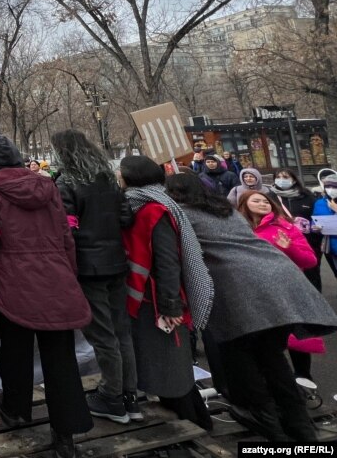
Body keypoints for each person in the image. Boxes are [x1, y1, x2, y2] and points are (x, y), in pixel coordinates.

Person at [165, 172, 337, 441]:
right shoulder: (225, 210)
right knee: (272, 356)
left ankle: (269, 426)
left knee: (241, 359)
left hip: (240, 289)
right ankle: (301, 427)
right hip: (277, 276)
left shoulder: (181, 215)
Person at [0, 135, 92, 458]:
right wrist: (68, 270)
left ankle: (15, 408)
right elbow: (66, 233)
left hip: (14, 280)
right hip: (56, 277)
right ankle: (65, 434)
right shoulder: (48, 186)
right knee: (61, 358)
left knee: (15, 350)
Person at [117, 157, 213, 431]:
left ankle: (196, 425)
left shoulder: (154, 210)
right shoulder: (137, 206)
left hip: (158, 302)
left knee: (170, 371)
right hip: (144, 298)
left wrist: (171, 306)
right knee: (158, 367)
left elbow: (167, 261)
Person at [51, 130, 137, 425]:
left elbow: (66, 230)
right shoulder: (108, 180)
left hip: (90, 268)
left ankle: (111, 397)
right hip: (116, 262)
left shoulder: (66, 183)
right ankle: (130, 396)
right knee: (121, 331)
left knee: (102, 335)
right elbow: (126, 217)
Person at [236, 190, 323, 383]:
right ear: (244, 204)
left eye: (266, 201)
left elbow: (310, 261)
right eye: (256, 201)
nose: (263, 204)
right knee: (265, 340)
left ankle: (303, 378)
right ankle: (273, 381)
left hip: (287, 289)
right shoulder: (237, 230)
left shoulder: (285, 226)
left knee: (294, 337)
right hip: (253, 292)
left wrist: (289, 247)